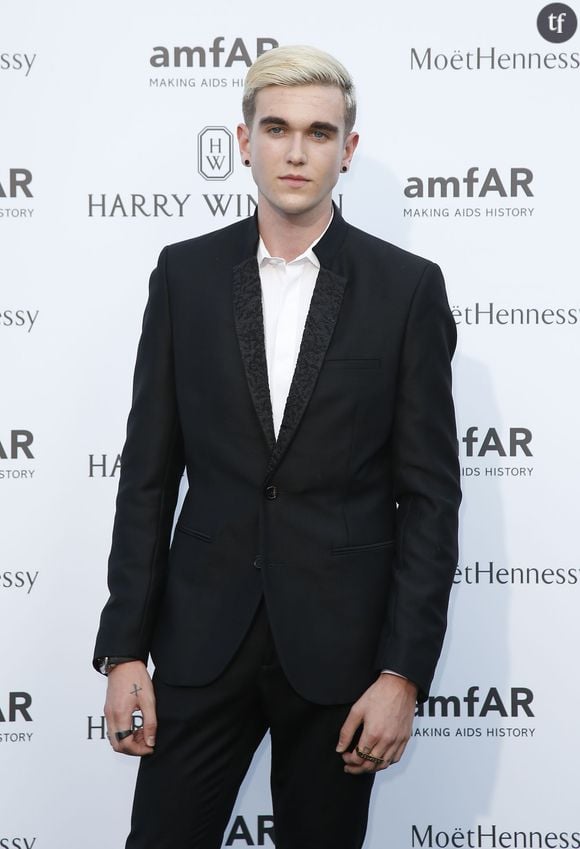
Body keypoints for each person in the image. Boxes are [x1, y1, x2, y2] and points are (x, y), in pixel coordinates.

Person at [93, 44, 461, 849]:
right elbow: (147, 477)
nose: (297, 151)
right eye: (279, 128)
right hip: (200, 644)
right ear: (244, 139)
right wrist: (124, 649)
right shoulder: (183, 276)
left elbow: (431, 499)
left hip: (343, 658)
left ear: (348, 150)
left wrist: (402, 675)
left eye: (320, 132)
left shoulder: (406, 289)